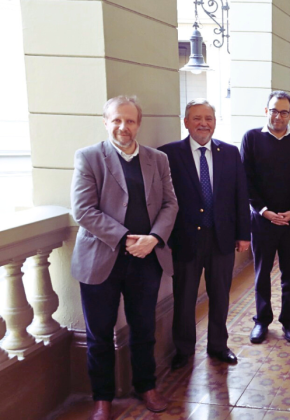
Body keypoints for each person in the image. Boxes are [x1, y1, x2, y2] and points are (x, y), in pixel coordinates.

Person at [70, 96, 178, 420]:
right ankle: (102, 398)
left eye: (129, 121)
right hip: (100, 260)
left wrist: (154, 238)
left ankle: (145, 386)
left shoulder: (157, 160)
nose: (123, 127)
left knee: (144, 328)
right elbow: (83, 210)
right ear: (106, 122)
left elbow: (170, 205)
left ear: (138, 124)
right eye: (116, 120)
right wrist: (124, 238)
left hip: (146, 260)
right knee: (99, 334)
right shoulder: (89, 157)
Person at [159, 99, 251, 370]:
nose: (203, 123)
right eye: (197, 118)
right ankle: (184, 349)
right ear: (186, 122)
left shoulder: (230, 153)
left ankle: (218, 346)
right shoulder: (168, 155)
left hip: (221, 237)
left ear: (214, 122)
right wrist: (166, 239)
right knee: (185, 297)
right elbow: (162, 200)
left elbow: (240, 195)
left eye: (208, 118)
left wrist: (243, 234)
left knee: (220, 295)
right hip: (184, 240)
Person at [240, 91, 290, 344]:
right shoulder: (251, 138)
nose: (278, 116)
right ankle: (261, 320)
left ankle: (289, 321)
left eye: (283, 112)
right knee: (261, 272)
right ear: (266, 111)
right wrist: (263, 211)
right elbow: (246, 180)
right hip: (262, 220)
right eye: (273, 110)